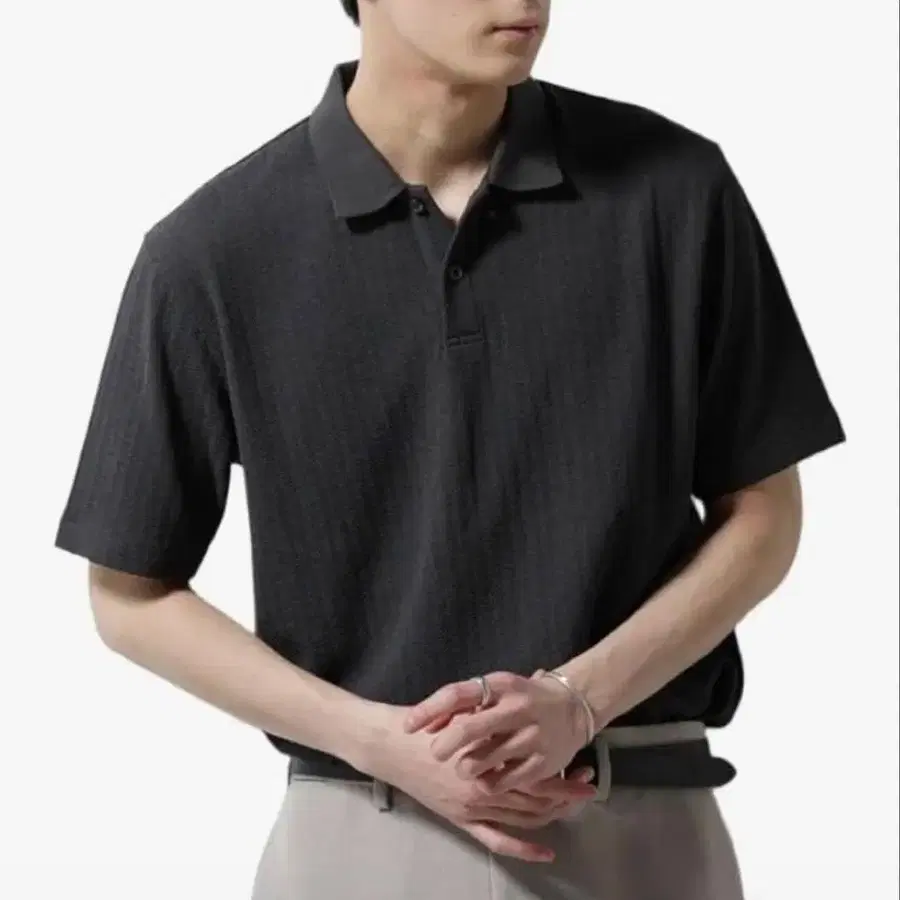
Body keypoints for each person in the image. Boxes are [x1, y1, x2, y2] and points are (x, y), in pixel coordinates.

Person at [54, 0, 846, 897]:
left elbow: (764, 512)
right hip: (363, 838)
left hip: (645, 826)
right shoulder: (211, 251)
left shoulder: (675, 188)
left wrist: (581, 699)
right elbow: (130, 595)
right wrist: (379, 742)